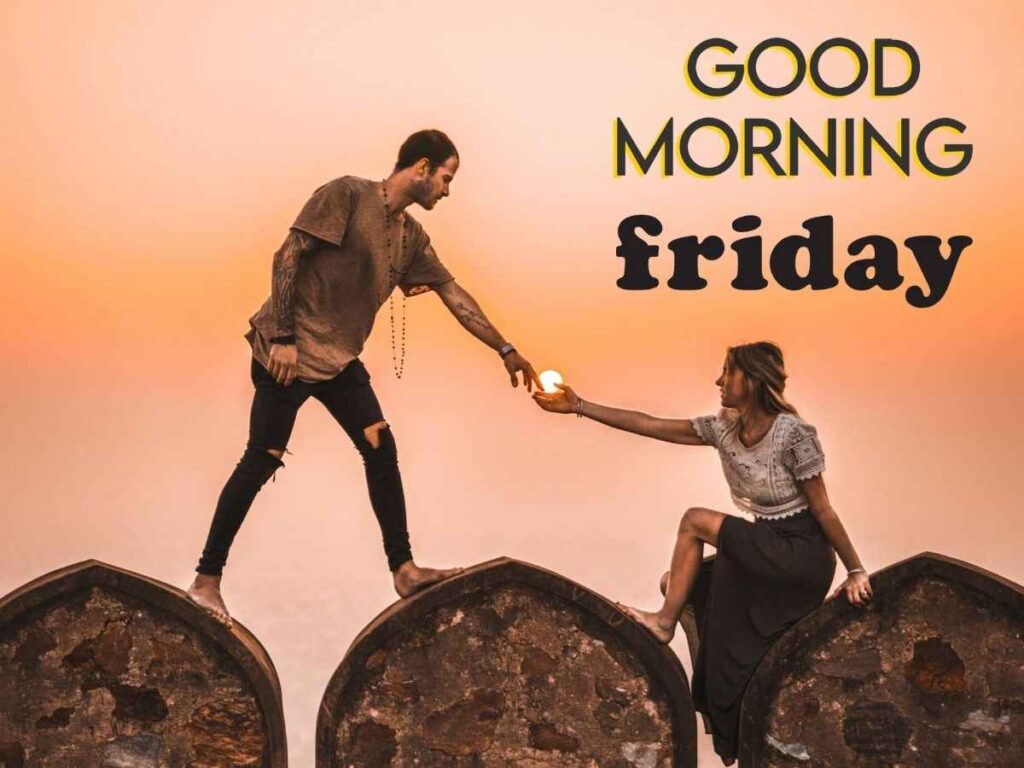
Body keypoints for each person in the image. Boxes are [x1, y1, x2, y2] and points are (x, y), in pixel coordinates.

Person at [187, 129, 540, 627]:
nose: (446, 190)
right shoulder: (348, 195)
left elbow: (454, 295)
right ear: (420, 167)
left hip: (337, 361)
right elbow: (287, 256)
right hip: (284, 354)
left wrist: (506, 349)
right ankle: (206, 581)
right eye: (445, 178)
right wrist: (284, 337)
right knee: (261, 458)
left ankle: (404, 569)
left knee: (380, 445)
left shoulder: (411, 237)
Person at [532, 341, 871, 766]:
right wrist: (578, 405)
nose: (719, 381)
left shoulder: (793, 435)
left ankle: (662, 623)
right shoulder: (724, 428)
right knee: (678, 584)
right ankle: (709, 661)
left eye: (727, 373)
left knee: (695, 520)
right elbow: (650, 423)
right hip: (764, 545)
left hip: (800, 555)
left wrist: (855, 569)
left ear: (750, 379)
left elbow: (822, 510)